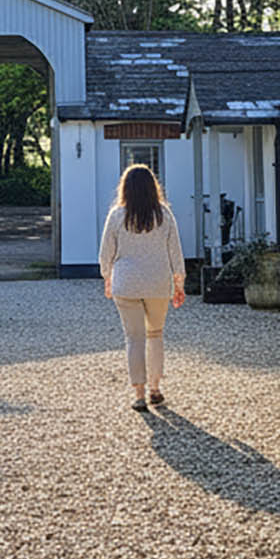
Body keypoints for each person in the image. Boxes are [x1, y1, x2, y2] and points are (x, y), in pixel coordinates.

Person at [99, 163, 187, 412]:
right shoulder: (164, 215)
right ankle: (155, 389)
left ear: (125, 188)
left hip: (126, 284)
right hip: (158, 282)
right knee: (155, 334)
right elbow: (176, 253)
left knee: (133, 338)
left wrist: (107, 277)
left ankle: (139, 394)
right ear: (153, 187)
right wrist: (179, 283)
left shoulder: (117, 215)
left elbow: (105, 254)